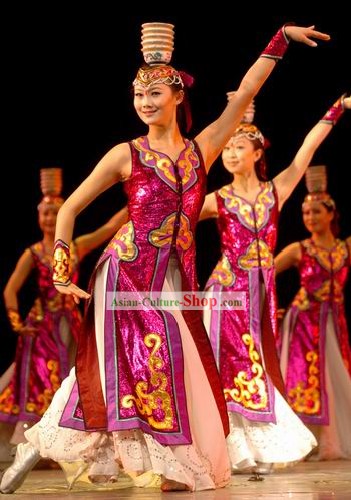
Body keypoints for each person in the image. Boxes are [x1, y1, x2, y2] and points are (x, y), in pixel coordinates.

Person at [0, 21, 330, 494]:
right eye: (138, 96)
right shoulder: (125, 154)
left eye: (154, 93)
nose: (145, 103)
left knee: (170, 367)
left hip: (172, 281)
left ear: (177, 96)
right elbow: (70, 208)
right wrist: (59, 268)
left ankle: (167, 464)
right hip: (123, 275)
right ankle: (43, 447)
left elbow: (247, 91)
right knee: (125, 367)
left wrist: (280, 39)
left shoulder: (203, 150)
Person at [200, 93, 350, 473]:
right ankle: (233, 448)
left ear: (257, 152)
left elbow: (307, 147)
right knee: (229, 365)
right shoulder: (218, 199)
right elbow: (175, 220)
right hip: (225, 292)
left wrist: (338, 108)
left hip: (259, 294)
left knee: (258, 365)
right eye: (228, 147)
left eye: (239, 146)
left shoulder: (276, 191)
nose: (231, 153)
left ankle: (258, 446)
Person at [0, 168, 128, 452]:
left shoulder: (75, 247)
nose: (49, 218)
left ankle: (69, 442)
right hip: (42, 329)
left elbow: (108, 229)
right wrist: (17, 324)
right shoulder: (31, 254)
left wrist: (136, 202)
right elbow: (10, 290)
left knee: (74, 376)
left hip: (72, 324)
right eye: (45, 213)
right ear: (38, 216)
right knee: (40, 382)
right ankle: (36, 444)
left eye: (55, 212)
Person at [275, 164, 351, 460]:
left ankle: (330, 440)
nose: (310, 218)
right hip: (304, 324)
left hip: (334, 321)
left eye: (317, 212)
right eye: (306, 213)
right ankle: (303, 442)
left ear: (331, 213)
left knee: (335, 378)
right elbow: (264, 273)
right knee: (303, 379)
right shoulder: (299, 249)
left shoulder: (345, 249)